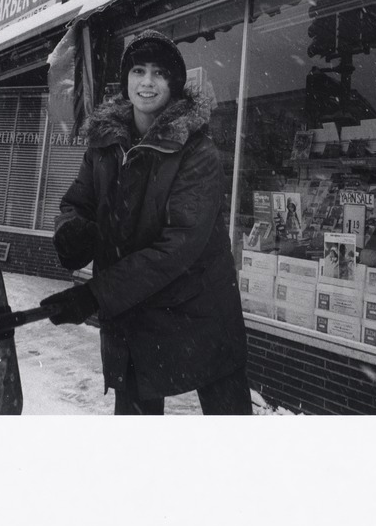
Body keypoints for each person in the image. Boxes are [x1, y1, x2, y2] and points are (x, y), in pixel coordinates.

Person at [44, 29, 252, 415]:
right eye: (138, 71)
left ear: (173, 84)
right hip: (133, 313)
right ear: (126, 81)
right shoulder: (104, 145)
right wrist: (71, 232)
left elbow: (177, 248)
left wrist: (94, 294)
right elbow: (77, 203)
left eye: (159, 73)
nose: (147, 82)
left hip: (199, 310)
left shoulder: (196, 151)